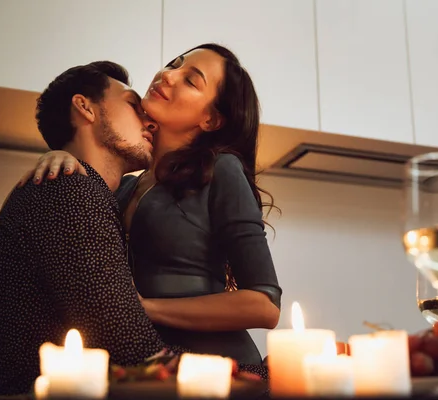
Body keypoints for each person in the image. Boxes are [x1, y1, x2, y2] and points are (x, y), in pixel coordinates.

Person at [0, 61, 269, 397]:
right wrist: (264, 375)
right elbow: (136, 352)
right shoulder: (71, 191)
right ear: (84, 107)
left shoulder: (92, 193)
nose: (147, 121)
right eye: (132, 105)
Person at [20, 43, 282, 365]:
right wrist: (64, 155)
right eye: (174, 64)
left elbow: (264, 304)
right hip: (148, 370)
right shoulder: (125, 186)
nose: (167, 76)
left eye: (190, 80)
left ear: (211, 119)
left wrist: (144, 307)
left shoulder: (221, 169)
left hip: (217, 369)